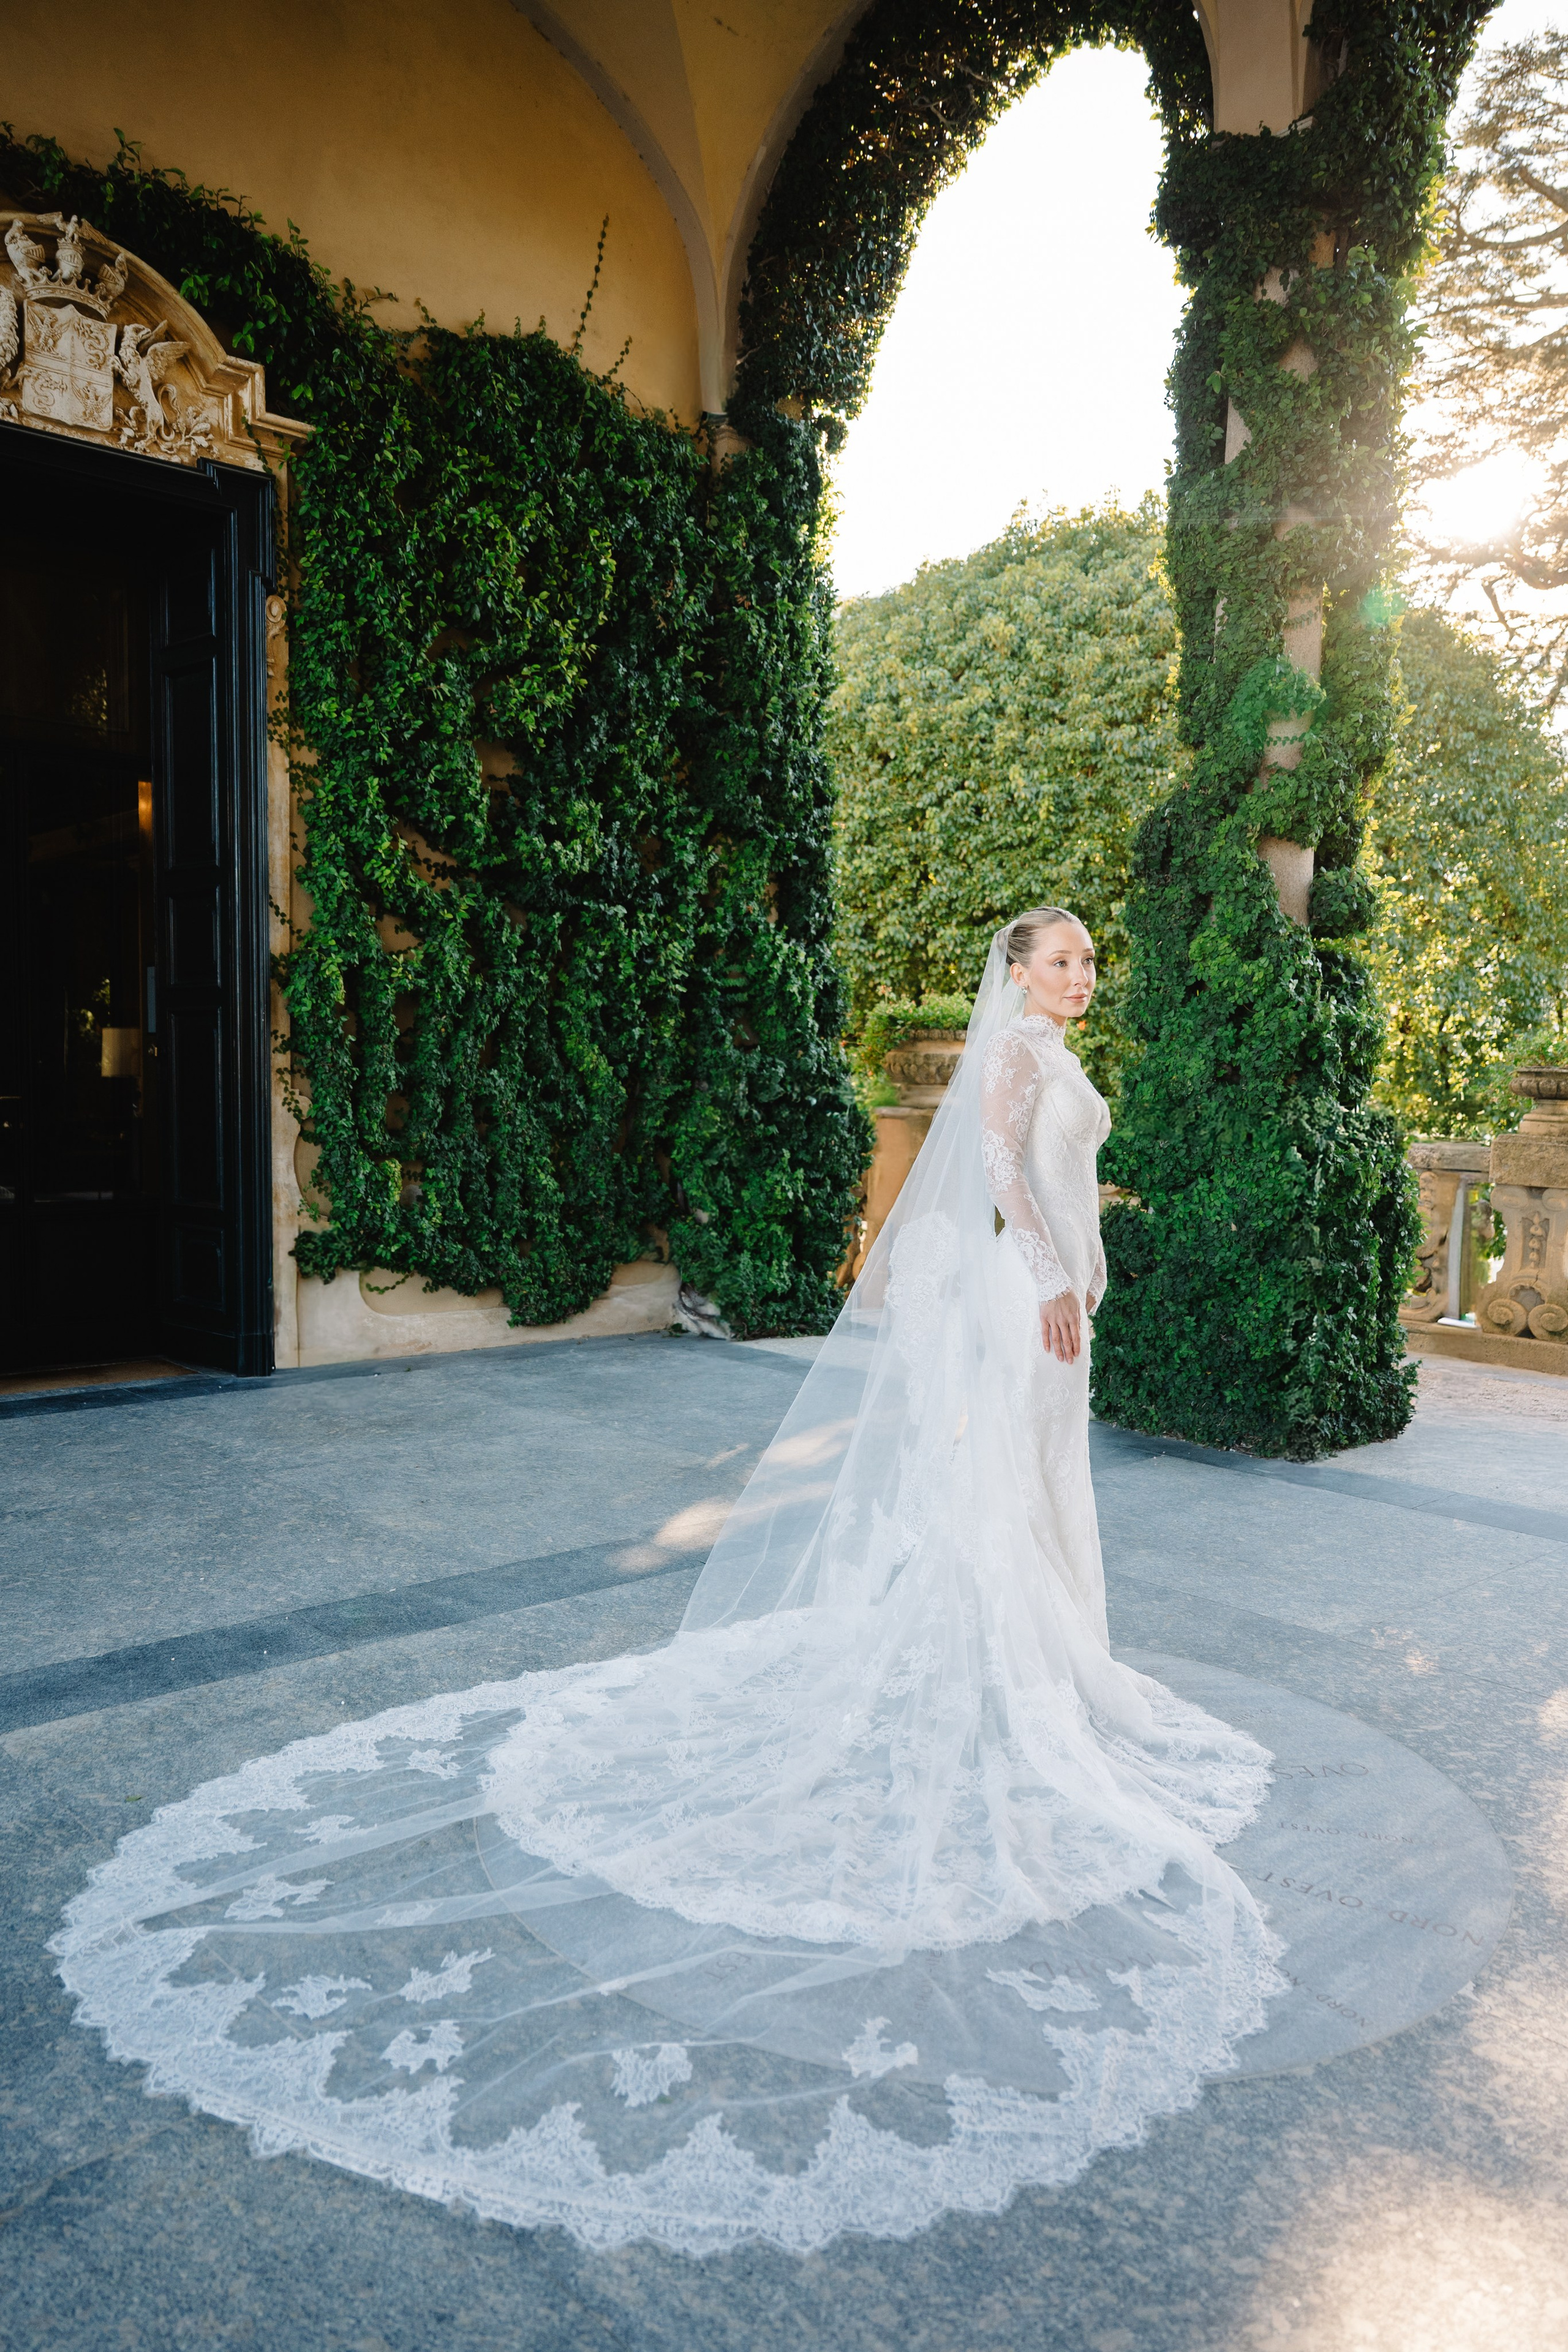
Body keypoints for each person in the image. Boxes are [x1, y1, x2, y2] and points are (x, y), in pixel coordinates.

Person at [55, 910, 1284, 2259]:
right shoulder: (1017, 1063)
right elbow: (996, 1165)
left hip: (1049, 1294)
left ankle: (1045, 1657)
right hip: (1023, 1295)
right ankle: (1008, 1661)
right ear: (1015, 974)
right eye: (1062, 960)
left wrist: (1075, 1259)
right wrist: (1052, 1274)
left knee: (1043, 1482)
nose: (1082, 975)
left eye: (1092, 959)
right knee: (1012, 1487)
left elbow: (1050, 1173)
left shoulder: (1054, 1052)